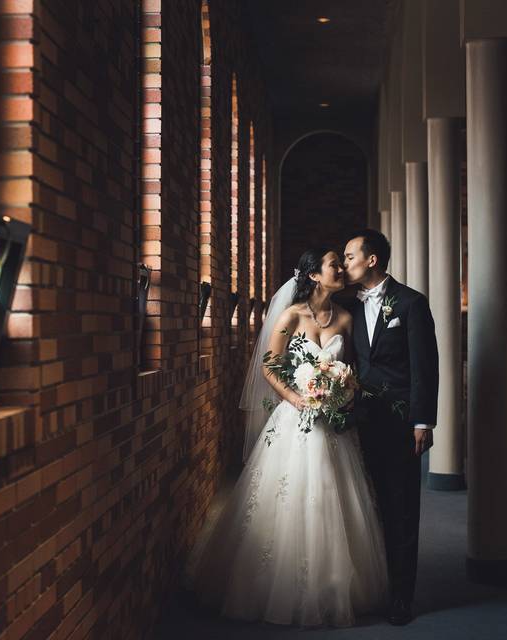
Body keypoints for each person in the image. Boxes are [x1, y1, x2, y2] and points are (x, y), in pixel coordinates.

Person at [187, 247, 388, 627]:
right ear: (314, 275)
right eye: (334, 265)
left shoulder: (346, 317)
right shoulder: (291, 315)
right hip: (295, 416)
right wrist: (297, 396)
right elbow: (269, 364)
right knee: (290, 494)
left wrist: (342, 391)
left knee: (335, 497)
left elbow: (355, 370)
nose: (341, 270)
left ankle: (331, 586)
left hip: (332, 421)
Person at [342, 229, 439, 625]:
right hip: (358, 420)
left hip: (400, 423)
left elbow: (424, 367)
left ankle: (402, 596)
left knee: (401, 508)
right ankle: (374, 587)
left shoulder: (412, 303)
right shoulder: (345, 304)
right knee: (368, 506)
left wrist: (422, 420)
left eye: (350, 256)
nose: (345, 262)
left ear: (372, 260)